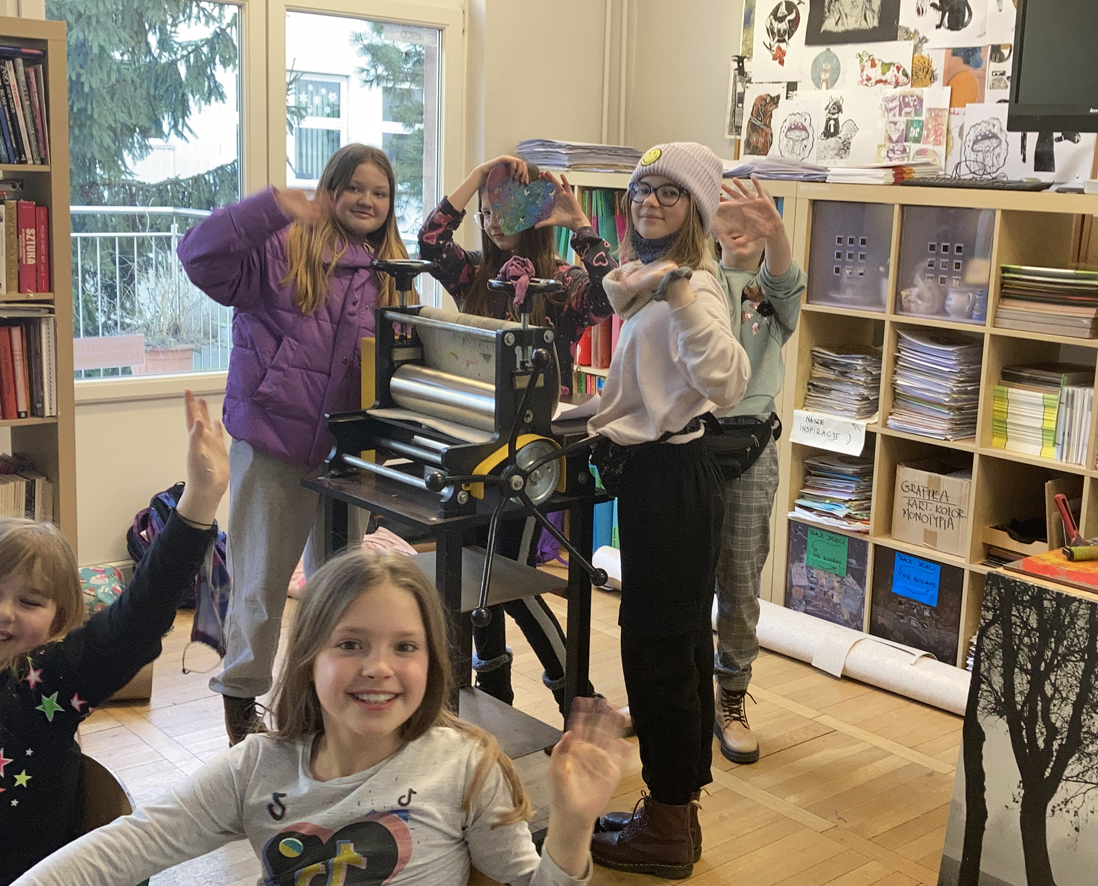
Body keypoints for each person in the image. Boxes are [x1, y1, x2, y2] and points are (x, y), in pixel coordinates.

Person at [14, 548, 631, 886]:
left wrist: (573, 823)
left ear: (433, 662)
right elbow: (130, 844)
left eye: (405, 647)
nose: (379, 668)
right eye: (351, 644)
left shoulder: (467, 766)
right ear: (310, 659)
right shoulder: (257, 767)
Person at [177, 144, 410, 745]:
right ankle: (241, 705)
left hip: (348, 454)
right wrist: (270, 208)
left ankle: (321, 702)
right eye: (354, 187)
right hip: (273, 442)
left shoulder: (390, 271)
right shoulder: (284, 246)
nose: (366, 200)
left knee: (340, 588)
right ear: (329, 190)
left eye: (379, 192)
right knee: (259, 584)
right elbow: (199, 255)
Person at [586, 142, 750, 879]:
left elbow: (728, 384)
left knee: (660, 655)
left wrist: (682, 296)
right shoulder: (648, 282)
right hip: (658, 477)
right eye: (641, 190)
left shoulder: (692, 288)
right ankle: (671, 810)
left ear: (696, 207)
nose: (648, 202)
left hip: (674, 482)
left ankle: (668, 822)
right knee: (671, 649)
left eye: (669, 192)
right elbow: (646, 382)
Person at [0, 391, 229, 885]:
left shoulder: (52, 679)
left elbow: (137, 618)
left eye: (30, 601)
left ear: (58, 621)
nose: (4, 613)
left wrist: (198, 503)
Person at [419, 155, 616, 712]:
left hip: (534, 458)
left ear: (533, 216)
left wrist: (578, 221)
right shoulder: (473, 274)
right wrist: (479, 174)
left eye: (503, 211)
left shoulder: (564, 285)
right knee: (476, 574)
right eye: (485, 212)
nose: (491, 222)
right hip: (478, 444)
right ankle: (495, 690)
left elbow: (613, 291)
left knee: (511, 580)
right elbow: (430, 241)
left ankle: (577, 696)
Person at [709, 175, 805, 764]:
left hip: (750, 446)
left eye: (753, 216)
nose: (740, 224)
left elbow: (783, 280)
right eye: (727, 211)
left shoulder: (774, 292)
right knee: (682, 577)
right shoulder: (701, 279)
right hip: (691, 440)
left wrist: (776, 233)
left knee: (741, 577)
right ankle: (676, 690)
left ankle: (731, 694)